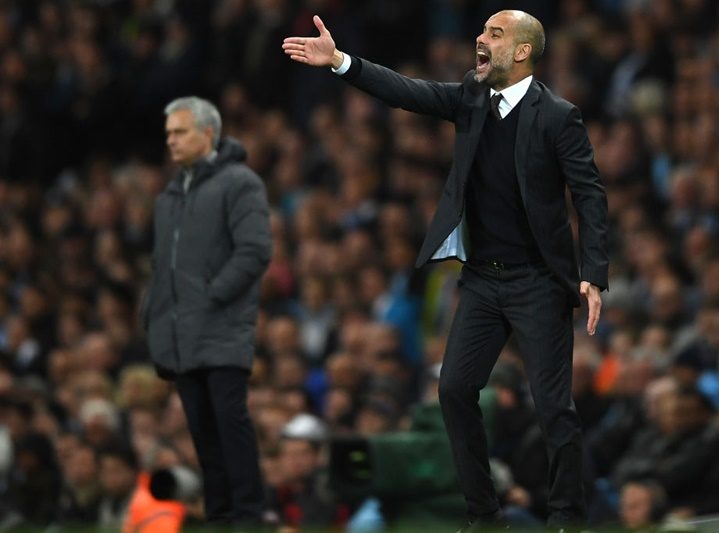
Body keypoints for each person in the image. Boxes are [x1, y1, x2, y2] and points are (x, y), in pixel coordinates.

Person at [283, 9, 608, 531]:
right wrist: (342, 61)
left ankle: (567, 517)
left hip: (537, 282)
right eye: (482, 30)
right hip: (481, 279)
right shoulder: (471, 96)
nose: (480, 38)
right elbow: (407, 92)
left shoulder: (557, 115)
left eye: (494, 34)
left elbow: (589, 193)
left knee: (553, 407)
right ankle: (484, 514)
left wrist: (593, 271)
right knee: (454, 391)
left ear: (522, 51)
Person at [142, 96, 272, 525]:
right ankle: (220, 516)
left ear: (208, 133)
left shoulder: (240, 183)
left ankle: (249, 514)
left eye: (180, 132)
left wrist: (212, 296)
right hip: (180, 331)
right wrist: (154, 313)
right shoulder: (169, 197)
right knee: (201, 429)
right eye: (168, 134)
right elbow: (161, 267)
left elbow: (254, 250)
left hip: (222, 326)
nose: (171, 141)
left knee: (229, 422)